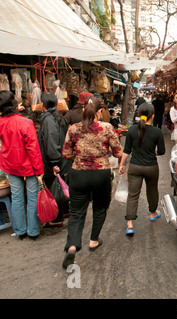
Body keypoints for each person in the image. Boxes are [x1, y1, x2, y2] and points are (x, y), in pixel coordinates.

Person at [61, 96, 122, 269]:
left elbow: (66, 153)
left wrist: (80, 157)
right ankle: (94, 240)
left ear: (83, 111)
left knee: (77, 212)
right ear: (99, 112)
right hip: (100, 174)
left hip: (78, 175)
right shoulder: (107, 127)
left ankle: (72, 246)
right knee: (100, 207)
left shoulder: (73, 128)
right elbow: (118, 152)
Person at [0, 90, 44, 240]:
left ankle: (20, 231)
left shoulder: (1, 123)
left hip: (10, 165)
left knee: (17, 198)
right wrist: (39, 170)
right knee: (32, 198)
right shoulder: (25, 122)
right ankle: (33, 231)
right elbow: (33, 149)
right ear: (14, 103)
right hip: (28, 166)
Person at [119, 103, 165, 236]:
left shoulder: (132, 130)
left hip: (134, 167)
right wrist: (152, 151)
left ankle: (130, 224)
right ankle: (152, 213)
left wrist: (122, 164)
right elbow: (161, 151)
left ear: (138, 115)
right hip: (151, 167)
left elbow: (126, 150)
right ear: (153, 116)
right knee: (152, 190)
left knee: (133, 194)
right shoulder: (157, 131)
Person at [37, 92, 72, 228]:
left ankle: (56, 218)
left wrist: (54, 162)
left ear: (43, 105)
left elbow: (52, 143)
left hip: (55, 160)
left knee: (54, 187)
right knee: (60, 185)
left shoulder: (48, 120)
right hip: (62, 159)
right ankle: (64, 212)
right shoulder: (59, 118)